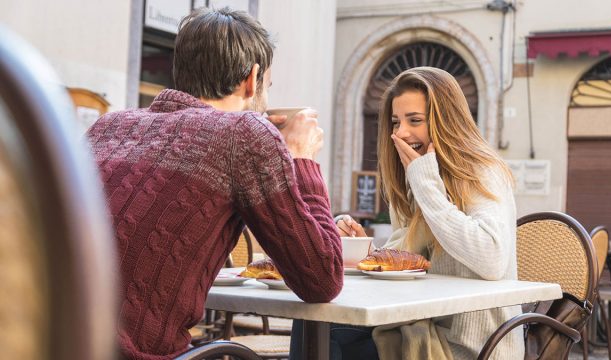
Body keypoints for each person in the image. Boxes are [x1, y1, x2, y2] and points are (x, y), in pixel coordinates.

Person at [85, 7, 343, 360]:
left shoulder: (108, 127)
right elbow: (322, 278)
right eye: (267, 85)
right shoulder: (246, 134)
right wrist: (302, 159)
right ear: (252, 79)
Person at [334, 66, 523, 359]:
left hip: (472, 345)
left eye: (415, 120)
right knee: (316, 325)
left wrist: (426, 185)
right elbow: (413, 255)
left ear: (446, 121)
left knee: (330, 336)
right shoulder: (419, 174)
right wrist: (367, 251)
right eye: (396, 122)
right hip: (420, 324)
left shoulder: (483, 171)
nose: (401, 132)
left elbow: (492, 259)